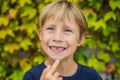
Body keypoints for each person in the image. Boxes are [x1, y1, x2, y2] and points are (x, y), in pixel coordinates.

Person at [23, 0, 102, 80]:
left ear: (80, 39)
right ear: (40, 34)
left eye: (67, 30)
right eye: (50, 29)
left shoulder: (91, 76)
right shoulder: (31, 76)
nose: (57, 38)